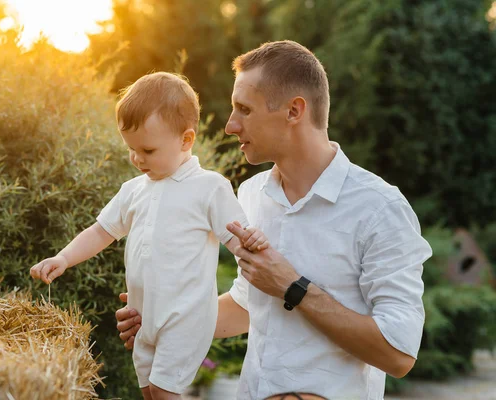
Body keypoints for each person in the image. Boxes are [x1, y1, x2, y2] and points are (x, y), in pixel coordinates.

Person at [115, 41, 433, 400]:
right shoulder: (249, 195)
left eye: (244, 110)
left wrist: (293, 287)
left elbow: (399, 354)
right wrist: (163, 316)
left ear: (294, 111)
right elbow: (247, 307)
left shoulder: (380, 207)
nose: (230, 126)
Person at [29, 72, 270, 400]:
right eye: (131, 148)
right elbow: (101, 231)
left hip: (185, 315)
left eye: (148, 149)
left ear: (186, 140)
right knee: (149, 391)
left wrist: (252, 243)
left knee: (163, 389)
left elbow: (237, 239)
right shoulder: (133, 191)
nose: (137, 158)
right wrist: (63, 258)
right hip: (143, 316)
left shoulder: (209, 187)